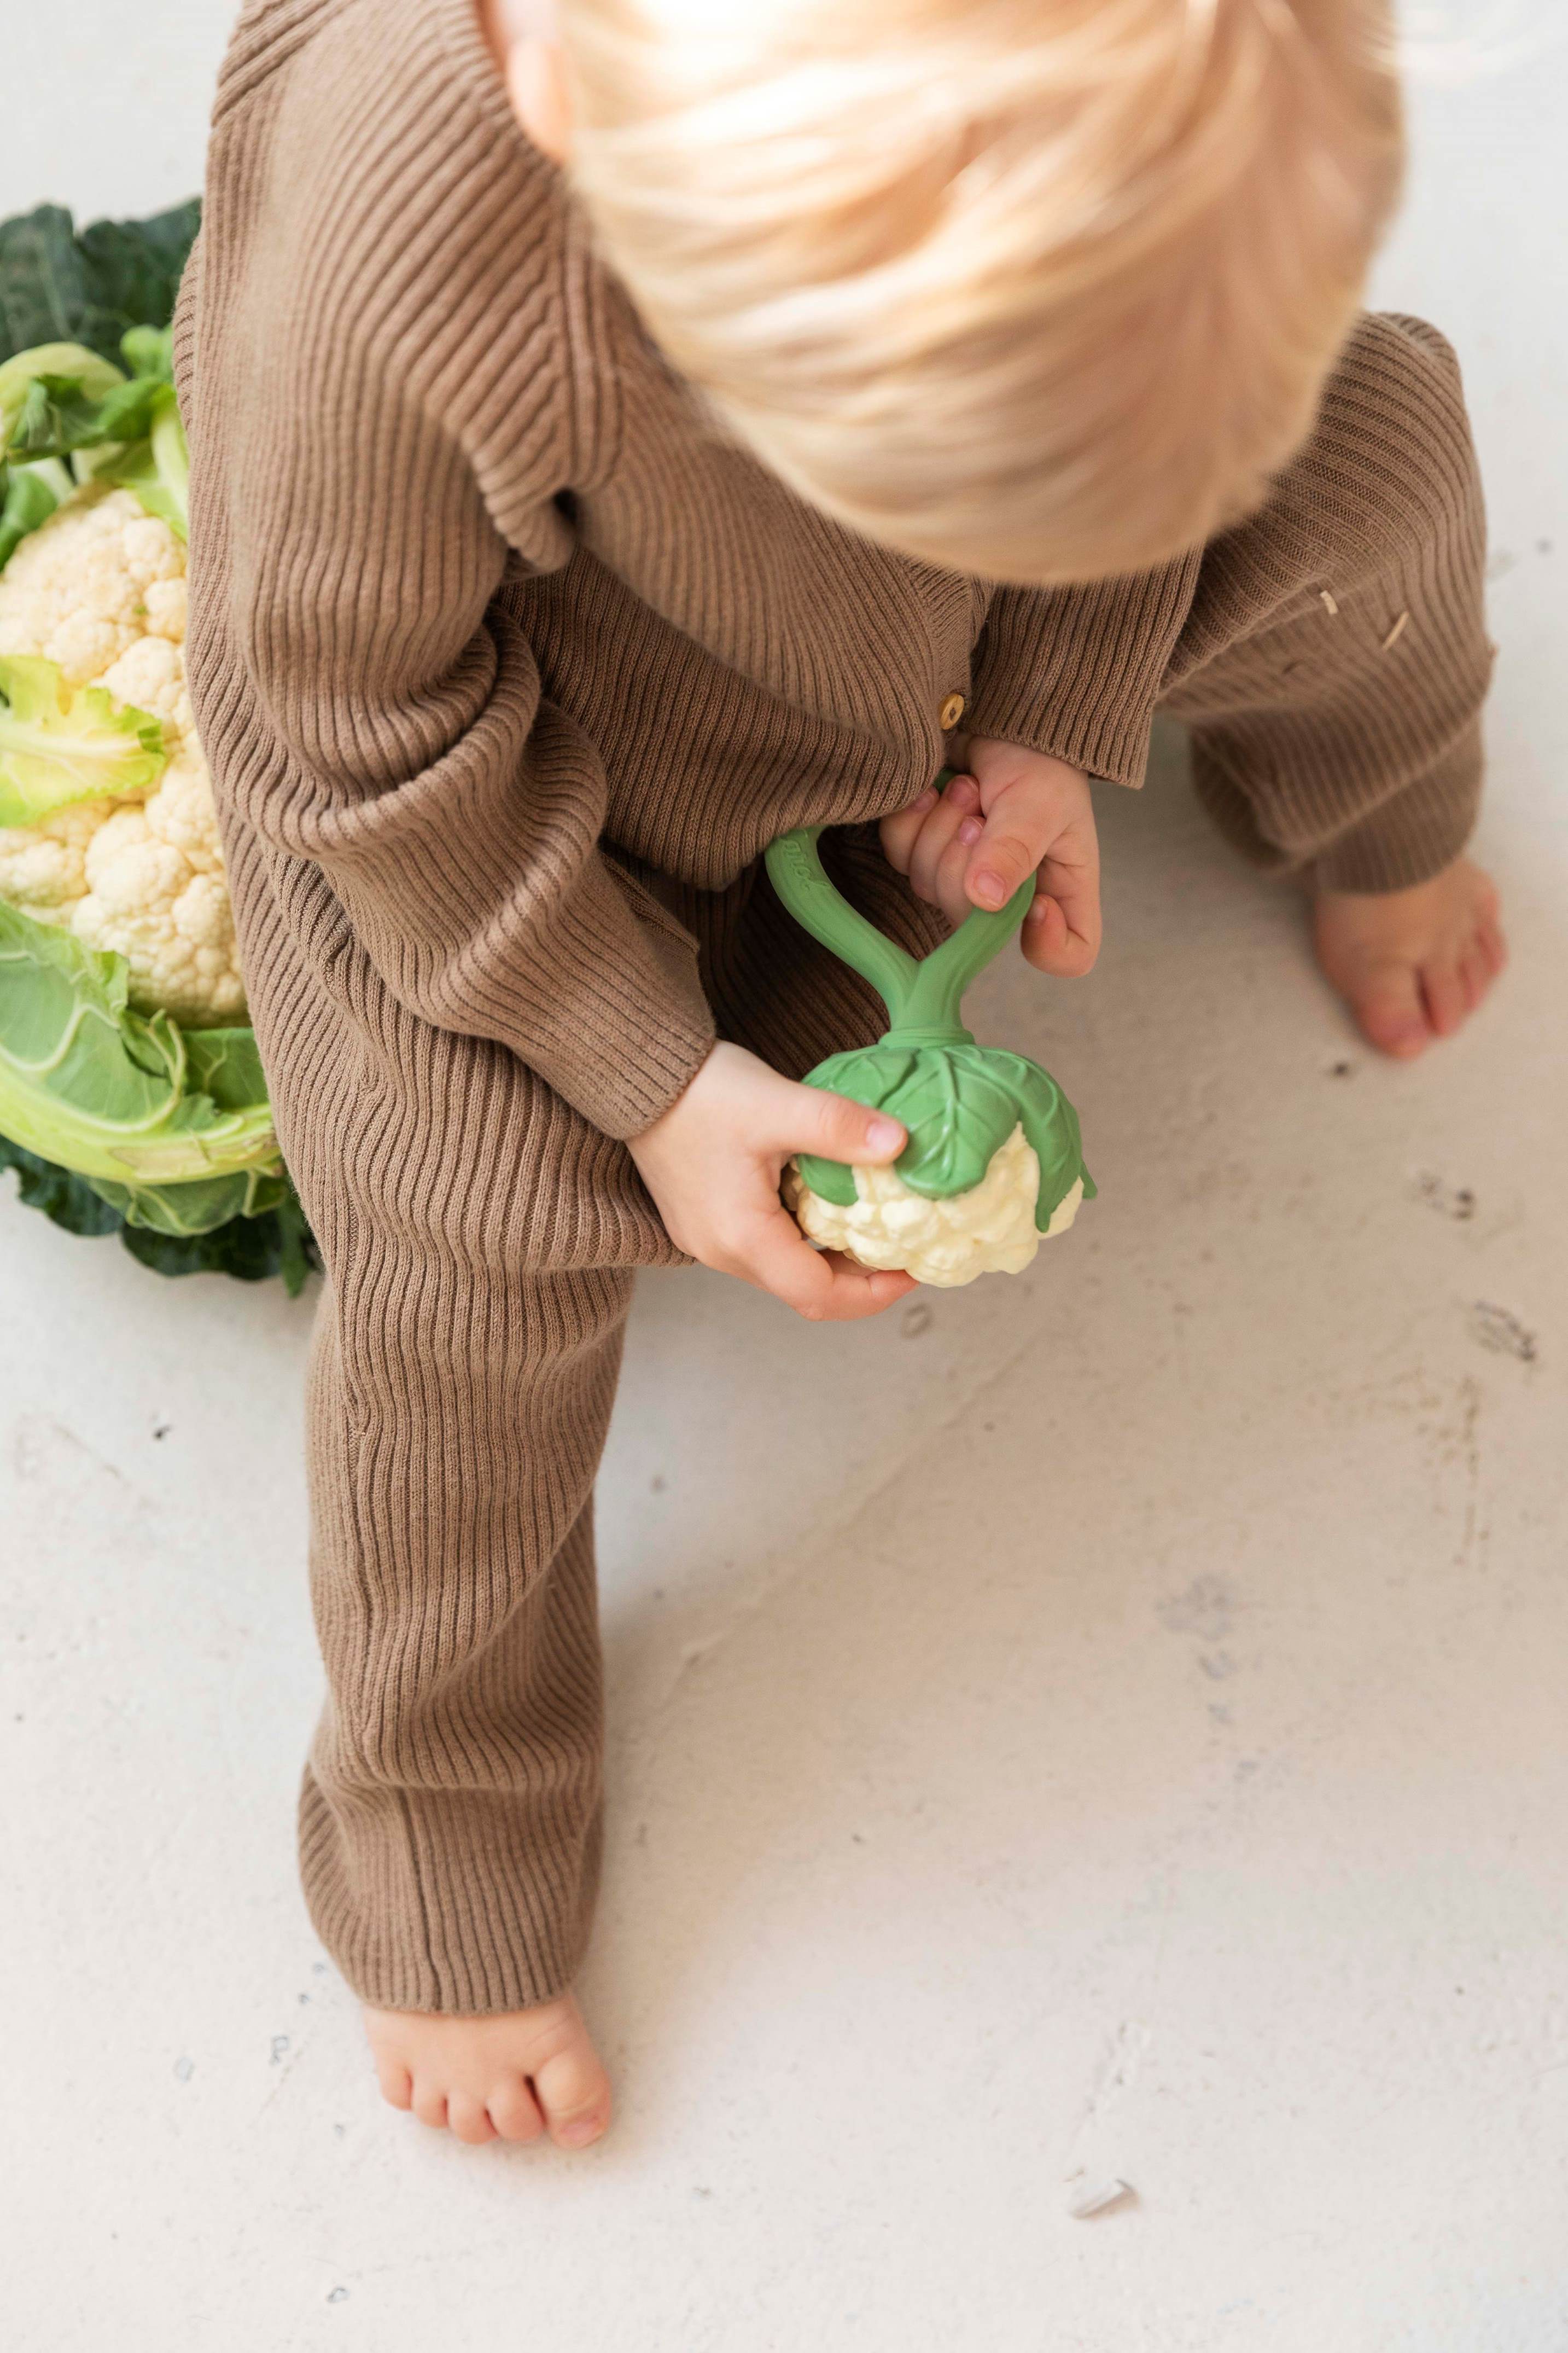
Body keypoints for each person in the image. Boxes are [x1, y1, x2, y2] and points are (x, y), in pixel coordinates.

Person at [178, 0, 1503, 2149]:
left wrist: (1059, 691)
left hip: (930, 656)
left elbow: (1151, 410)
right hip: (505, 793)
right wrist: (645, 1067)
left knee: (1374, 461)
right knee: (464, 1266)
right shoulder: (417, 228)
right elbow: (357, 722)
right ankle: (446, 1831)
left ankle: (1374, 795)